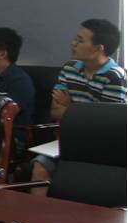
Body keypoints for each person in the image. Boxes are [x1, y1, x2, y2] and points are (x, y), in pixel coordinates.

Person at [33, 19, 126, 185]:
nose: (73, 43)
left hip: (103, 146)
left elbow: (106, 127)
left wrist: (70, 107)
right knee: (40, 167)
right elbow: (55, 112)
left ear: (98, 48)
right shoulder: (69, 68)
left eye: (80, 40)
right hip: (71, 140)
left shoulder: (114, 77)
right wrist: (83, 115)